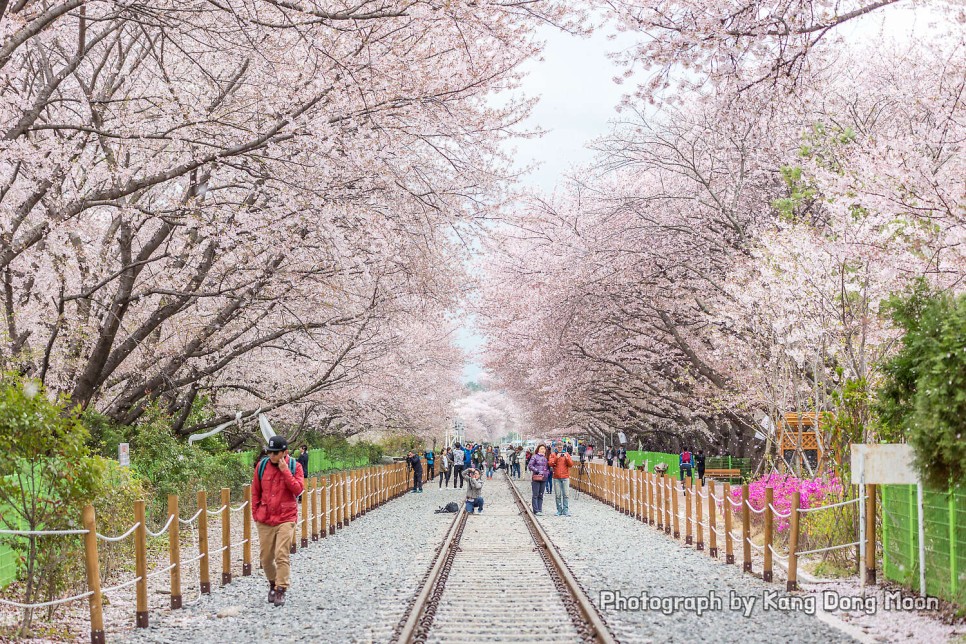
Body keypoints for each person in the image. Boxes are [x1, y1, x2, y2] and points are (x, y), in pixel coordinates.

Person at [252, 435, 304, 607]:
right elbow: (255, 491)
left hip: (286, 517)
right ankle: (273, 584)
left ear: (285, 452)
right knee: (265, 558)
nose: (271, 456)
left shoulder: (294, 466)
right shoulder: (261, 466)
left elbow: (298, 489)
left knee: (281, 554)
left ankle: (281, 589)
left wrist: (285, 471)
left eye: (275, 453)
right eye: (270, 452)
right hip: (265, 518)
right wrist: (255, 514)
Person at [548, 445, 573, 516]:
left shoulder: (566, 454)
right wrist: (556, 457)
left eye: (561, 447)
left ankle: (566, 510)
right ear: (556, 447)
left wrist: (566, 458)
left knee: (566, 494)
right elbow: (550, 464)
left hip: (565, 476)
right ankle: (559, 510)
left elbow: (571, 464)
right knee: (558, 494)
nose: (560, 448)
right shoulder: (553, 454)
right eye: (558, 447)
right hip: (556, 477)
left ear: (563, 447)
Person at [528, 444, 550, 515]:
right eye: (541, 448)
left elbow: (547, 467)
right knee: (535, 494)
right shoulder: (534, 456)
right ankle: (536, 510)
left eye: (544, 449)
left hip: (544, 477)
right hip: (536, 477)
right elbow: (530, 465)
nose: (543, 450)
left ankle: (540, 509)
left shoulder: (545, 458)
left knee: (541, 494)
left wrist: (547, 472)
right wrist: (537, 471)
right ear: (538, 449)